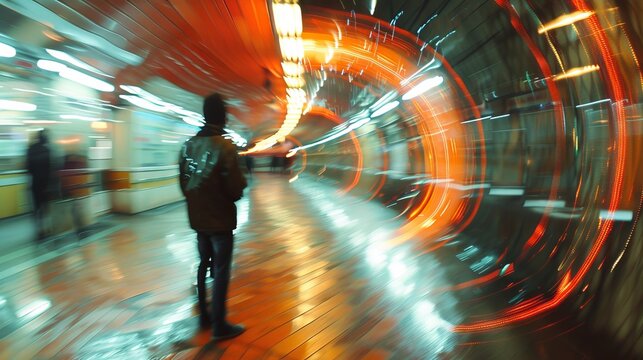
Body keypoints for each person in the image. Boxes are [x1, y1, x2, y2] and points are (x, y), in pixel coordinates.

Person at [179, 93, 247, 341]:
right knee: (220, 269)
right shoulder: (225, 146)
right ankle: (220, 325)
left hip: (198, 220)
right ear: (224, 116)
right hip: (220, 221)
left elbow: (184, 184)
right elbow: (237, 187)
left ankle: (204, 316)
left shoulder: (187, 146)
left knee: (202, 263)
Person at [26, 129, 52, 241]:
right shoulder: (47, 150)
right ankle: (46, 229)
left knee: (37, 208)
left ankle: (39, 231)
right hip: (46, 184)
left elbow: (28, 169)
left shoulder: (30, 150)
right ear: (44, 139)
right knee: (45, 207)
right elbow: (51, 169)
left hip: (35, 183)